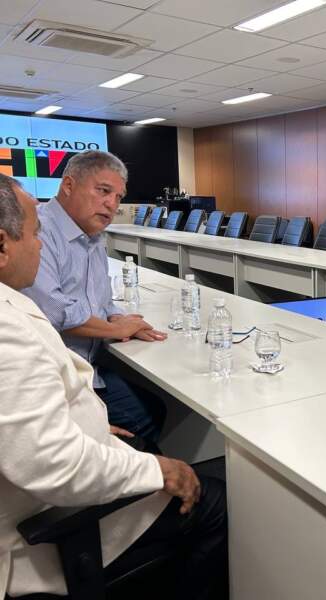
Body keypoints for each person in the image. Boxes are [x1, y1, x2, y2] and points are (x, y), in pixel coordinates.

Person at [0, 174, 227, 599]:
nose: (41, 245)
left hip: (55, 479)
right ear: (1, 245)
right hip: (46, 528)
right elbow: (53, 465)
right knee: (217, 504)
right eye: (33, 234)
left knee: (144, 423)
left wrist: (89, 424)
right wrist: (158, 469)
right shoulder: (5, 331)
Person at [23, 150, 167, 446]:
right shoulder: (38, 230)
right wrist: (114, 329)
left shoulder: (92, 236)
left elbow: (99, 299)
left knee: (152, 409)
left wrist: (120, 318)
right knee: (142, 420)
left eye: (118, 197)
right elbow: (54, 311)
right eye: (103, 191)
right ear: (68, 185)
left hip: (85, 368)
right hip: (48, 377)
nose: (112, 204)